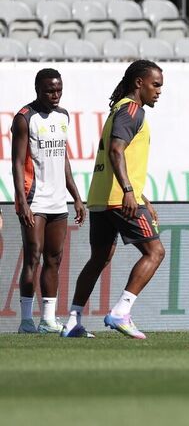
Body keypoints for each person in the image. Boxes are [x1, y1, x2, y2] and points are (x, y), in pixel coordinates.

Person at [61, 60, 166, 339]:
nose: (159, 91)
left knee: (99, 258)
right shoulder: (131, 110)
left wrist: (141, 195)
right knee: (155, 252)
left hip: (102, 197)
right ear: (139, 83)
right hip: (120, 198)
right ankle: (121, 311)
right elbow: (116, 151)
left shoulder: (119, 109)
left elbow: (121, 157)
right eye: (155, 85)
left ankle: (72, 321)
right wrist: (130, 191)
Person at [12, 68, 86, 334]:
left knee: (54, 258)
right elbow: (17, 163)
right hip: (34, 199)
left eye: (58, 90)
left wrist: (76, 196)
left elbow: (63, 158)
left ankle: (48, 319)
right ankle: (26, 321)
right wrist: (22, 201)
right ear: (38, 90)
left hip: (58, 200)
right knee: (33, 256)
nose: (55, 95)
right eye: (49, 91)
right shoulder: (25, 118)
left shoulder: (63, 116)